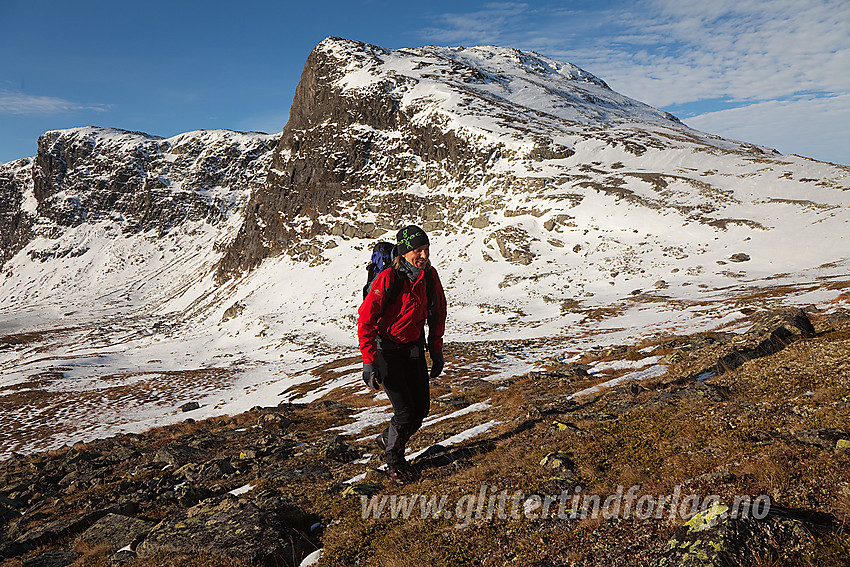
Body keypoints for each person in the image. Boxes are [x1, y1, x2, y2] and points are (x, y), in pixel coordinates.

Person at [357, 225, 447, 485]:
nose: (423, 255)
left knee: (421, 410)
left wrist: (437, 351)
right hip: (387, 352)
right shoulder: (389, 278)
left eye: (426, 250)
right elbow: (366, 320)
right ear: (405, 253)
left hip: (413, 350)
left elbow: (437, 313)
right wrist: (368, 361)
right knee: (405, 412)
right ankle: (394, 461)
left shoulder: (430, 277)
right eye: (418, 250)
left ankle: (388, 438)